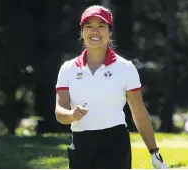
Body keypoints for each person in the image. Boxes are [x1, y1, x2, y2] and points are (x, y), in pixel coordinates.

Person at [55, 5, 168, 169]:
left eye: (101, 26)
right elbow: (60, 112)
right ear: (82, 32)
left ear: (109, 31)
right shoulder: (68, 69)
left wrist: (154, 151)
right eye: (89, 26)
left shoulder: (125, 68)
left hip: (115, 144)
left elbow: (139, 112)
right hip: (80, 145)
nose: (95, 31)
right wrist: (72, 115)